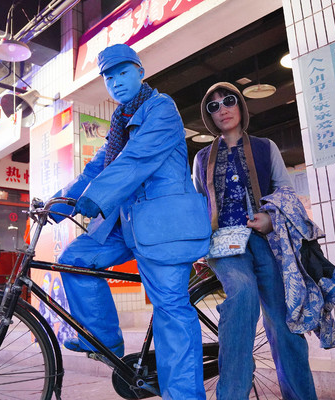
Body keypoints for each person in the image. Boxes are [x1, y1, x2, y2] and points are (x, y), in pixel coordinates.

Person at [48, 43, 210, 400]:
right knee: (75, 260)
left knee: (170, 310)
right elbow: (95, 168)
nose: (116, 82)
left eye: (123, 73)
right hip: (128, 222)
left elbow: (137, 158)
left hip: (164, 226)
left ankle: (184, 395)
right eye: (109, 78)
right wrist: (58, 204)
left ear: (140, 71)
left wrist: (96, 196)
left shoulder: (161, 108)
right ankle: (104, 338)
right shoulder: (120, 120)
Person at [192, 82, 319, 400]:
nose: (222, 109)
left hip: (266, 242)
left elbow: (286, 192)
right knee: (243, 294)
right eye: (213, 106)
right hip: (224, 245)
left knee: (284, 322)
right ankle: (232, 395)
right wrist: (196, 249)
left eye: (228, 101)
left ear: (240, 105)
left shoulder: (266, 147)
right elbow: (198, 206)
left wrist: (270, 218)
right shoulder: (202, 158)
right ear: (209, 116)